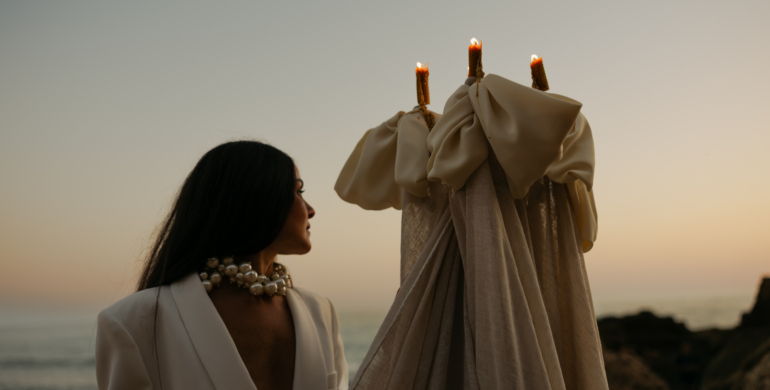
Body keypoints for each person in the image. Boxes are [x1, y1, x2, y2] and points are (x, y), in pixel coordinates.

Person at [95, 141, 348, 390]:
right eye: (298, 192)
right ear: (256, 196)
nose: (311, 210)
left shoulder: (321, 312)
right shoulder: (134, 322)